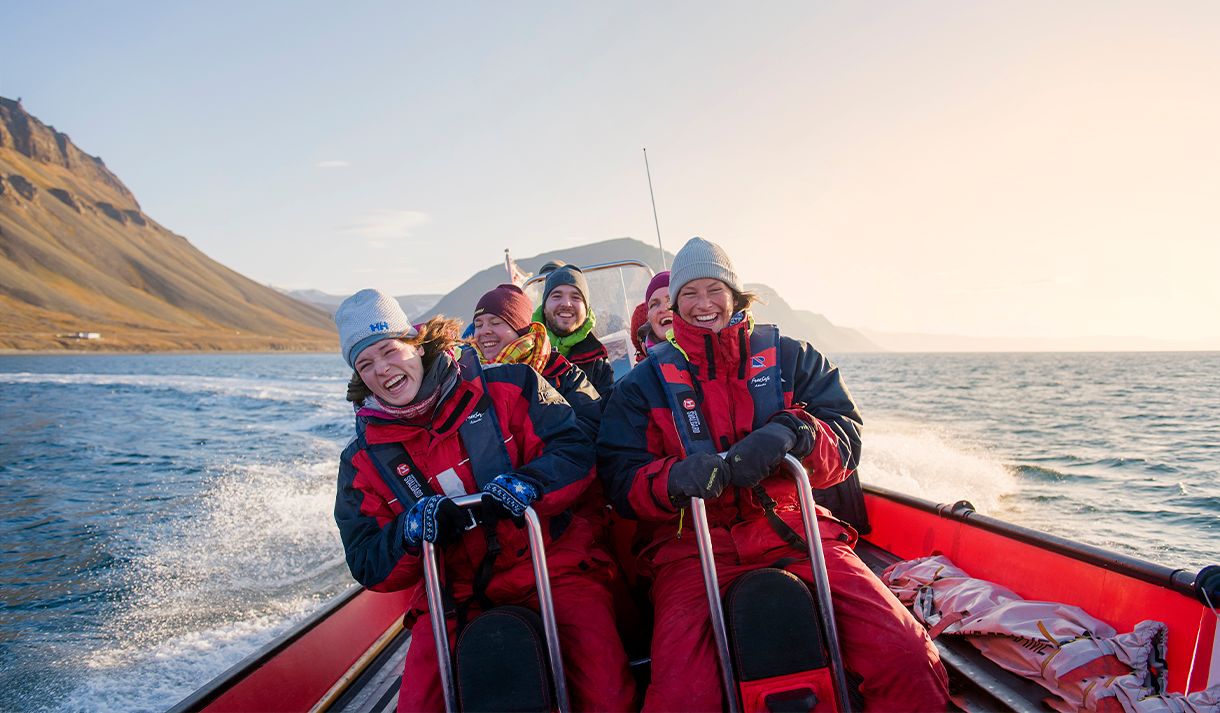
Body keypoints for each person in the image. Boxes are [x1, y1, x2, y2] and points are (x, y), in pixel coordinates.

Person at [597, 238, 949, 712]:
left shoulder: (792, 357)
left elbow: (846, 442)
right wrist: (674, 479)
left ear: (736, 295)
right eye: (690, 294)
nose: (704, 304)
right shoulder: (642, 385)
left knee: (907, 656)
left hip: (797, 529)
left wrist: (794, 432)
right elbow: (621, 480)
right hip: (693, 548)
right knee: (683, 696)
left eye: (715, 289)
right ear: (674, 304)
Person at [332, 289, 635, 712]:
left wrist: (532, 485)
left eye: (389, 351)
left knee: (604, 691)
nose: (383, 370)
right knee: (420, 704)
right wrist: (409, 531)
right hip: (452, 595)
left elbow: (575, 451)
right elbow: (366, 559)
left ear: (417, 345)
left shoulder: (512, 385)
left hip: (553, 567)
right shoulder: (363, 460)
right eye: (366, 364)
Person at [471, 283, 601, 442]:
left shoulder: (562, 374)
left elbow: (591, 428)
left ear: (520, 330)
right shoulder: (469, 377)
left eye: (495, 322)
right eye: (478, 325)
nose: (484, 331)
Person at [532, 261, 615, 398]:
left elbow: (609, 414)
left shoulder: (598, 363)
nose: (566, 304)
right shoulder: (524, 352)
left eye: (576, 297)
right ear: (544, 307)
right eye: (557, 296)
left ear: (586, 309)